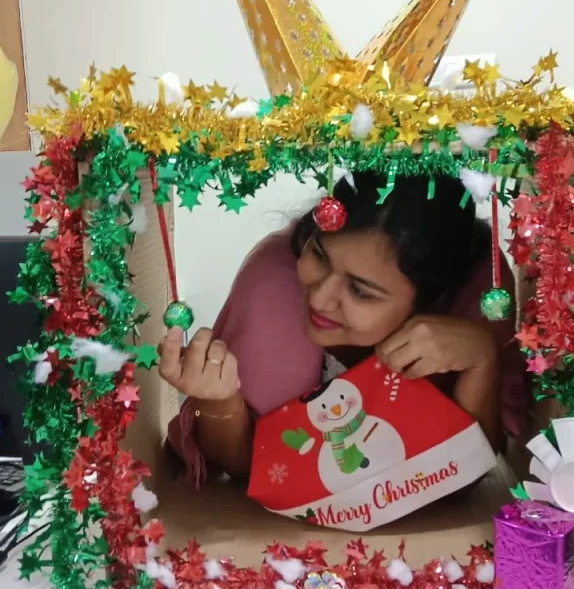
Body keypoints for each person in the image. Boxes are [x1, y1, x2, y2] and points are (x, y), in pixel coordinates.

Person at [160, 171, 527, 487]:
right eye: (319, 256)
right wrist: (218, 401)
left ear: (433, 300)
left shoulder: (482, 295)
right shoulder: (273, 284)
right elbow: (252, 469)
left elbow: (474, 467)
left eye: (360, 291)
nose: (320, 299)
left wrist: (482, 360)